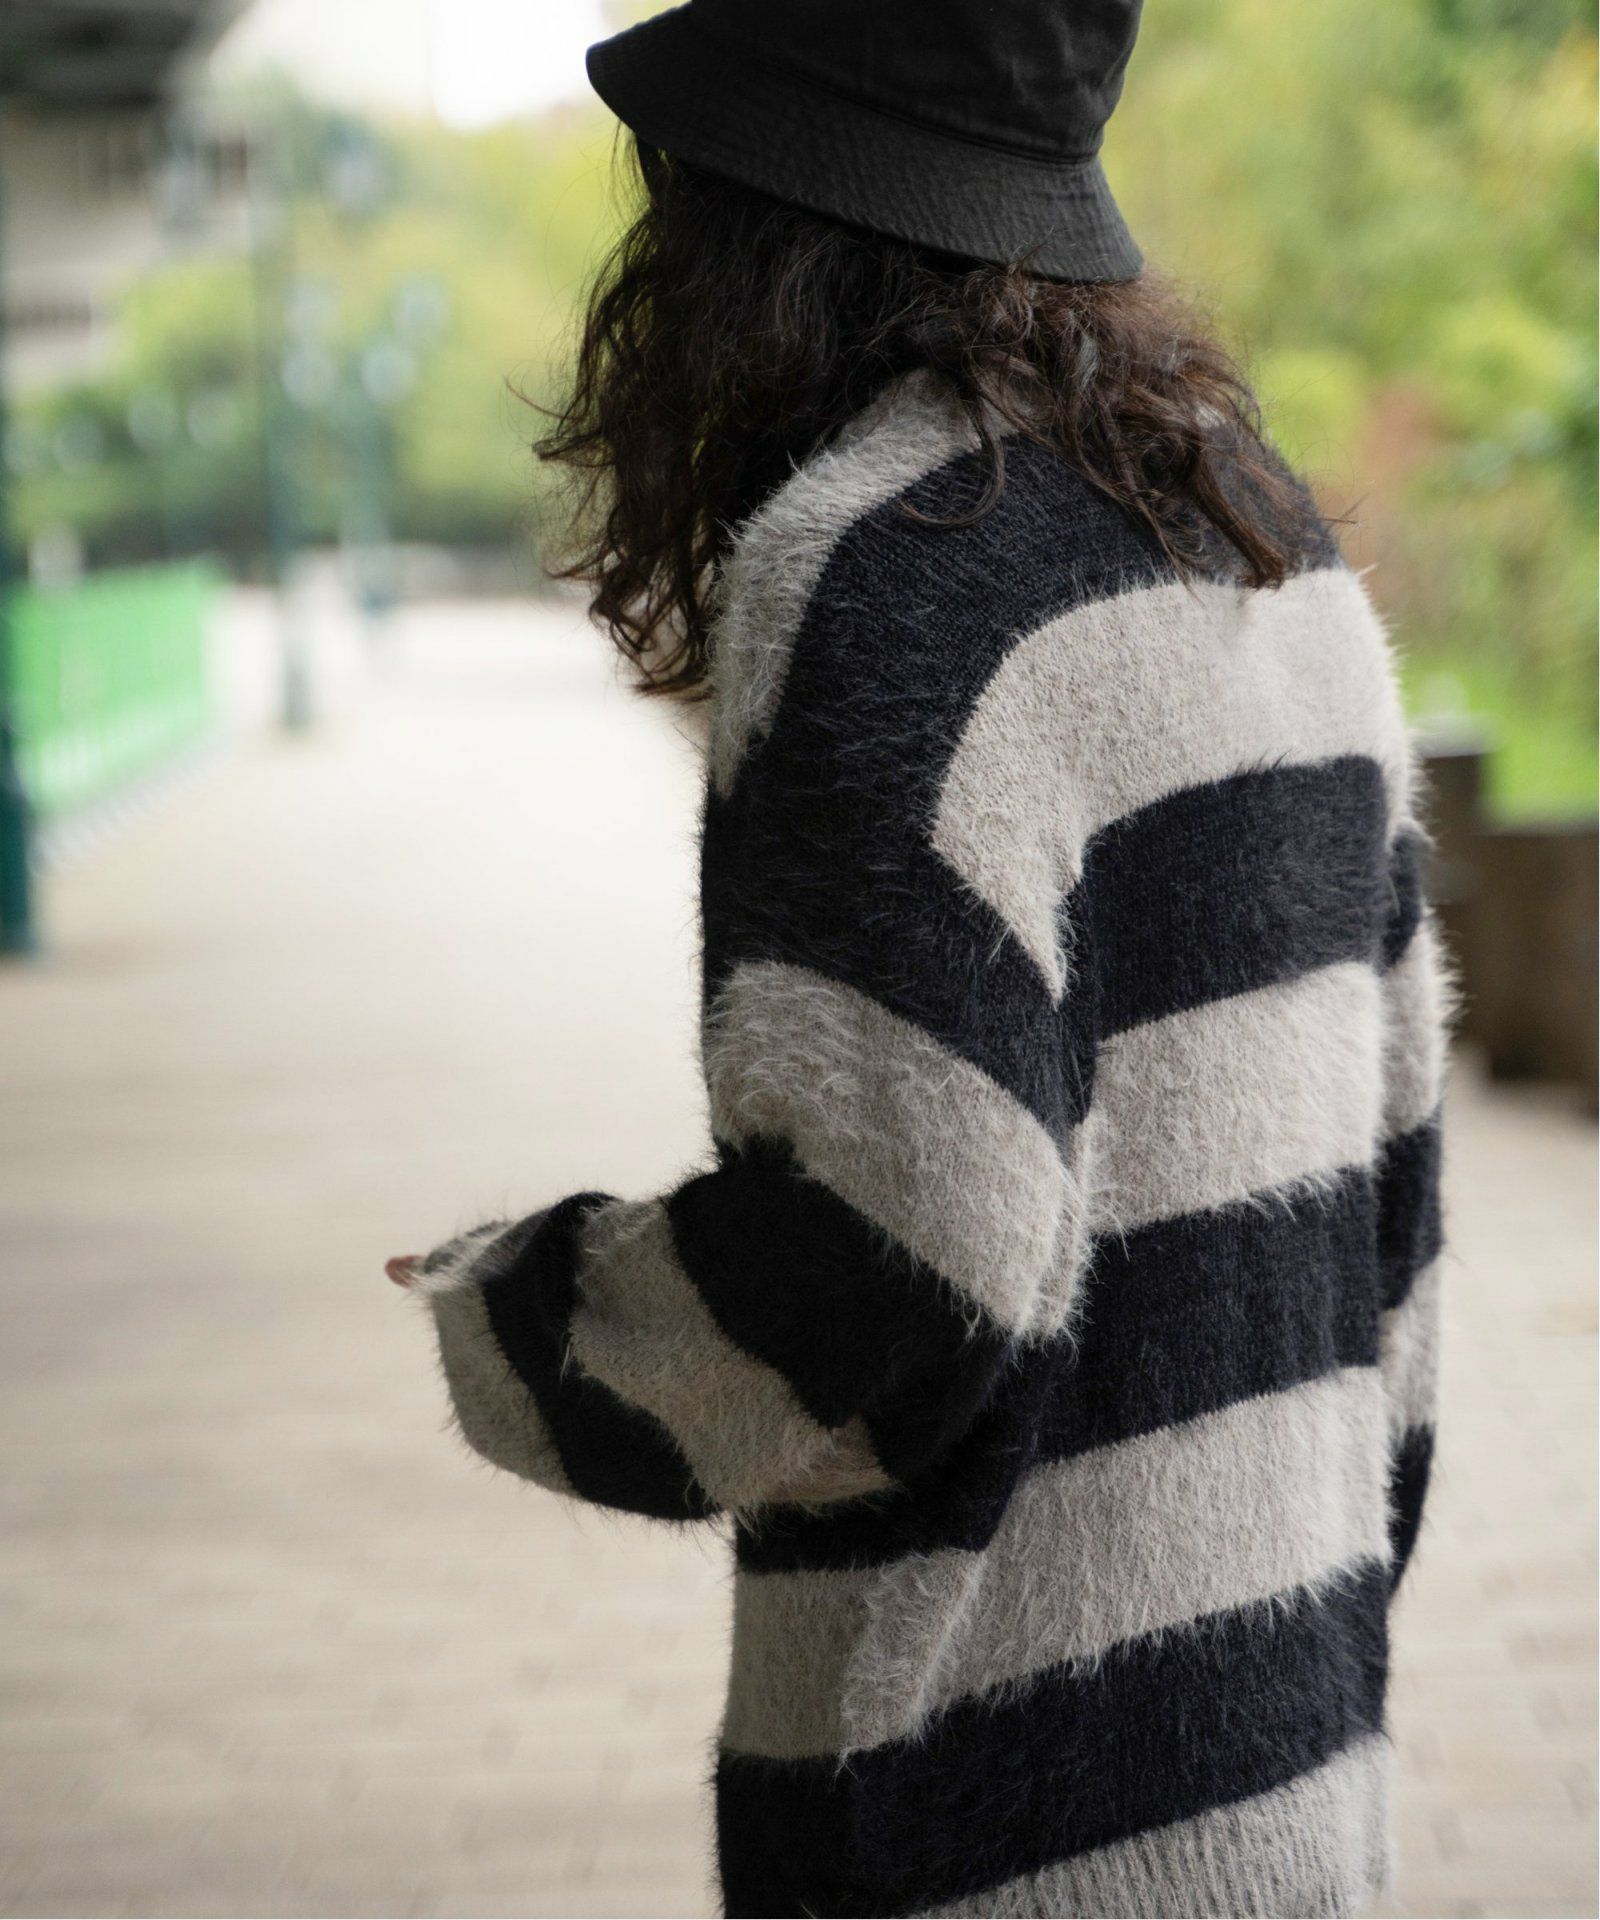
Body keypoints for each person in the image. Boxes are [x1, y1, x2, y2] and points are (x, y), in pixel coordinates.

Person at [388, 3, 1448, 1914]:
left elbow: (889, 1278)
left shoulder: (878, 569)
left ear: (757, 204)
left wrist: (524, 1316)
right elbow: (1397, 1233)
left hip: (987, 1823)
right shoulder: (1264, 538)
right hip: (1288, 1778)